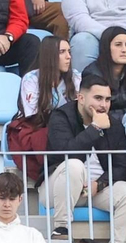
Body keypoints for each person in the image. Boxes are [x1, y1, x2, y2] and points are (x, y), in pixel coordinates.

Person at [41, 78, 126, 243]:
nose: (103, 105)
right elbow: (65, 153)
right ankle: (61, 229)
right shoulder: (61, 117)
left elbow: (122, 166)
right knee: (74, 165)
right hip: (58, 189)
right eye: (98, 98)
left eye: (107, 99)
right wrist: (95, 129)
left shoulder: (113, 124)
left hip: (93, 191)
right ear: (81, 98)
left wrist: (99, 184)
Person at [7, 35, 76, 184]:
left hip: (67, 129)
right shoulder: (31, 78)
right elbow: (34, 117)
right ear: (50, 55)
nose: (68, 57)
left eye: (69, 51)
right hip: (37, 127)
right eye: (62, 52)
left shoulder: (76, 77)